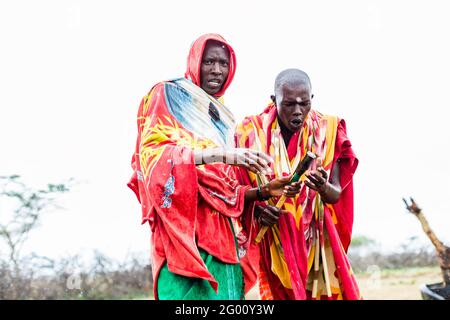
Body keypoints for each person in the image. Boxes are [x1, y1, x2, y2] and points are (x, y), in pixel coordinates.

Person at [127, 34, 300, 300]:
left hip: (223, 237)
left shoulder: (223, 118)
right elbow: (154, 155)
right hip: (183, 236)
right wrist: (222, 155)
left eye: (223, 63)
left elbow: (225, 193)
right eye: (209, 62)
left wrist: (263, 192)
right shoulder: (168, 95)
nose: (217, 70)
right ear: (195, 62)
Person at [235, 68, 361, 300]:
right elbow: (237, 192)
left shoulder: (328, 129)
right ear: (274, 101)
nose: (298, 112)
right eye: (289, 104)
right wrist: (260, 212)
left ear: (312, 99)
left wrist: (322, 187)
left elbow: (335, 195)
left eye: (304, 104)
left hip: (317, 246)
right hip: (274, 245)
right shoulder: (248, 134)